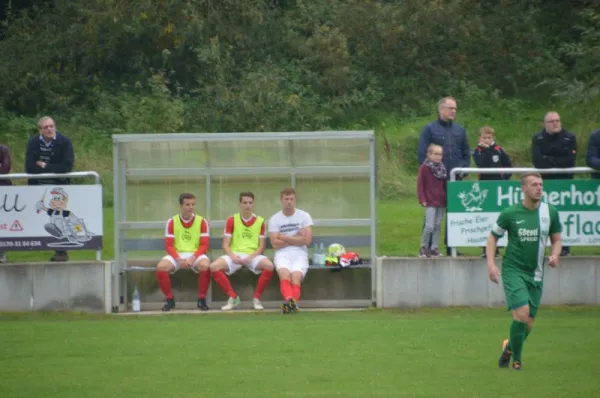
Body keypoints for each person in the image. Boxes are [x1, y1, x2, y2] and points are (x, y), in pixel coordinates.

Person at [486, 172, 562, 371]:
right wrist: (491, 265)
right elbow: (492, 238)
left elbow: (557, 240)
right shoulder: (510, 213)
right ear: (523, 188)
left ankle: (508, 348)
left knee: (527, 324)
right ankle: (516, 362)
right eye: (534, 184)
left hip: (536, 274)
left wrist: (555, 254)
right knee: (521, 314)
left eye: (541, 184)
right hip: (513, 271)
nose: (539, 188)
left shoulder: (550, 212)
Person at [417, 97, 470, 256]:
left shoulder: (460, 130)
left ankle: (450, 246)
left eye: (455, 108)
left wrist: (464, 169)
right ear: (441, 110)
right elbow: (422, 154)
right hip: (436, 181)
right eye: (450, 108)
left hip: (455, 180)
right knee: (431, 216)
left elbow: (466, 153)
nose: (454, 111)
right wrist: (431, 172)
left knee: (453, 214)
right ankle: (426, 247)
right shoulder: (430, 129)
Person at [209, 192, 274, 311]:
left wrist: (250, 257)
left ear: (253, 204)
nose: (247, 205)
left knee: (269, 266)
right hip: (235, 254)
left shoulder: (260, 221)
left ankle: (256, 298)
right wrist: (233, 256)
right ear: (239, 203)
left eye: (250, 203)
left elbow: (261, 246)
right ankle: (233, 297)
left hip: (252, 255)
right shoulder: (231, 220)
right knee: (214, 267)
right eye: (245, 202)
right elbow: (225, 244)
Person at [25, 116, 75, 262]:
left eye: (51, 126)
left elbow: (66, 167)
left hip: (58, 187)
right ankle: (15, 247)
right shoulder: (33, 142)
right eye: (46, 127)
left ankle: (61, 252)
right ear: (40, 129)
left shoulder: (65, 142)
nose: (49, 129)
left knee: (59, 218)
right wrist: (53, 168)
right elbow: (29, 167)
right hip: (37, 187)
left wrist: (45, 166)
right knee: (35, 218)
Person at [155, 193, 211, 312]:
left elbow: (204, 245)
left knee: (205, 266)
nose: (190, 207)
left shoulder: (202, 221)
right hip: (177, 254)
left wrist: (192, 258)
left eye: (192, 204)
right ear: (181, 206)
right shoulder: (172, 221)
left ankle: (201, 299)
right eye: (187, 205)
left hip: (195, 254)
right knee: (161, 267)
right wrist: (178, 259)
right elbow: (169, 245)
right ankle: (170, 300)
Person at [531, 111, 576, 256]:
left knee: (563, 214)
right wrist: (557, 160)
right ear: (545, 124)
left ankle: (564, 247)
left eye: (557, 120)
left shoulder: (570, 137)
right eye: (552, 121)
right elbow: (538, 161)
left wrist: (549, 159)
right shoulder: (538, 138)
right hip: (545, 183)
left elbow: (569, 162)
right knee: (544, 215)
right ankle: (542, 247)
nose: (555, 123)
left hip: (564, 182)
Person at [268, 187, 313, 314]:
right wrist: (296, 237)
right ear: (281, 200)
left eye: (291, 199)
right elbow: (274, 244)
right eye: (286, 199)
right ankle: (290, 302)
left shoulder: (304, 216)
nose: (289, 202)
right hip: (282, 254)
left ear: (295, 200)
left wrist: (283, 237)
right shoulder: (275, 219)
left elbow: (307, 240)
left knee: (296, 277)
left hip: (300, 253)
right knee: (284, 275)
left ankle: (289, 305)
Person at [472, 126, 512, 258]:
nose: (487, 140)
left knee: (499, 217)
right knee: (485, 217)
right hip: (485, 188)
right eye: (484, 138)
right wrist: (486, 150)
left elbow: (508, 167)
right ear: (480, 138)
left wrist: (504, 179)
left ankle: (498, 247)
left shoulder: (499, 150)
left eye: (489, 138)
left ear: (493, 138)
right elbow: (482, 165)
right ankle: (486, 248)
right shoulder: (477, 151)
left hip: (499, 188)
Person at [417, 143, 446, 257]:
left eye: (440, 154)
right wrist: (422, 198)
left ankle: (434, 247)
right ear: (429, 154)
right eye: (436, 154)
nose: (438, 156)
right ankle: (424, 247)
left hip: (441, 200)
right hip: (429, 200)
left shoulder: (442, 168)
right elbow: (420, 185)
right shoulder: (425, 167)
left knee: (437, 225)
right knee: (429, 225)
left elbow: (444, 185)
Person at [0, 143, 12, 263]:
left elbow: (5, 169)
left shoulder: (3, 149)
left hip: (2, 190)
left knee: (2, 223)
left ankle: (1, 253)